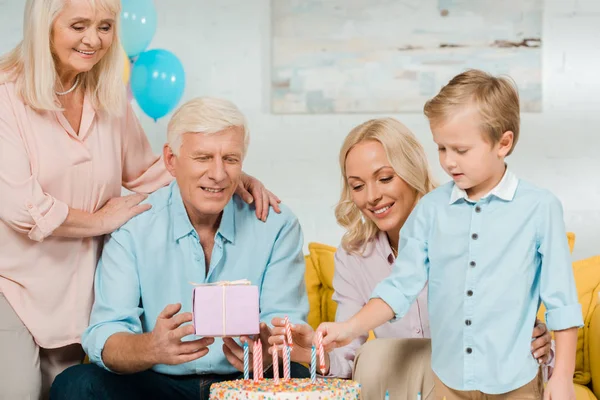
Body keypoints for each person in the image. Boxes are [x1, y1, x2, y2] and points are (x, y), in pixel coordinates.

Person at [0, 1, 278, 398]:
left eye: (105, 26)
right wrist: (101, 221)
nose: (93, 39)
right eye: (79, 25)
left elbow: (151, 172)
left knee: (58, 391)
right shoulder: (5, 95)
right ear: (44, 26)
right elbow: (20, 207)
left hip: (78, 291)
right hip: (12, 285)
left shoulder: (106, 94)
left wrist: (228, 176)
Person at [315, 70, 583, 400]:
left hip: (515, 380)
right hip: (448, 382)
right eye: (441, 148)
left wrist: (563, 377)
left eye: (460, 150)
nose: (448, 162)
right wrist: (347, 328)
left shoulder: (540, 208)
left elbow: (562, 302)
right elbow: (399, 287)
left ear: (503, 143)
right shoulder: (430, 210)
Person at [269, 117, 554, 399]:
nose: (372, 197)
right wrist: (316, 353)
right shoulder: (354, 256)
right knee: (373, 357)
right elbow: (348, 354)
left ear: (412, 170)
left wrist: (539, 342)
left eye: (385, 178)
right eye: (357, 186)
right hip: (401, 384)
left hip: (475, 380)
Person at [49, 97, 310, 400]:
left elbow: (288, 324)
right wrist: (152, 347)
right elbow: (106, 334)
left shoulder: (277, 225)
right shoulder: (134, 226)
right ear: (171, 161)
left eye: (230, 158)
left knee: (300, 380)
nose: (218, 174)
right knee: (77, 385)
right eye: (202, 158)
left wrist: (268, 352)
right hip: (156, 383)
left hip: (243, 385)